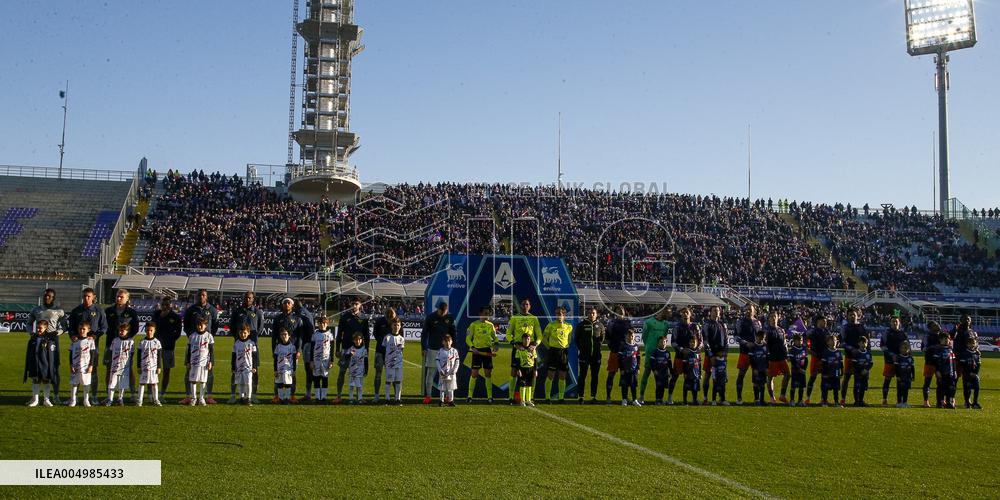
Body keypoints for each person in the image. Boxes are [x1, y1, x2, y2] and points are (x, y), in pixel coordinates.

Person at [67, 288, 107, 401]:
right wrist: (73, 335)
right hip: (77, 346)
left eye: (88, 296)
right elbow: (70, 328)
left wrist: (95, 336)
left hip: (92, 346)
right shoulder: (76, 310)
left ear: (93, 297)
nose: (86, 298)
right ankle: (74, 398)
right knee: (77, 370)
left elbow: (104, 327)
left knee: (92, 370)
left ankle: (92, 396)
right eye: (84, 296)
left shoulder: (99, 310)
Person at [182, 289, 218, 404]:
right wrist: (192, 336)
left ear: (206, 297)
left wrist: (209, 336)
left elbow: (215, 325)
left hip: (206, 345)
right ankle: (189, 396)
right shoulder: (191, 310)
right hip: (193, 344)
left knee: (209, 371)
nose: (201, 297)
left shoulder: (212, 309)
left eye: (203, 295)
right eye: (199, 295)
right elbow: (186, 325)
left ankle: (208, 396)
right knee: (188, 370)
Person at [30, 288, 65, 403]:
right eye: (45, 296)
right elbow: (29, 323)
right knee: (38, 366)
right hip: (39, 341)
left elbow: (64, 326)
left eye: (49, 296)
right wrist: (32, 333)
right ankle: (35, 396)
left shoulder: (59, 311)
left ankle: (55, 395)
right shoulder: (36, 310)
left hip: (53, 341)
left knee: (54, 368)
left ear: (53, 298)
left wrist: (58, 332)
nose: (47, 298)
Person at [105, 289, 140, 402]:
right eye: (117, 296)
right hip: (110, 343)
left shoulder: (132, 313)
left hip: (125, 346)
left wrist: (126, 338)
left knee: (128, 368)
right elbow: (104, 326)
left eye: (121, 297)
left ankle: (133, 393)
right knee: (109, 368)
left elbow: (135, 328)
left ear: (127, 299)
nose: (118, 298)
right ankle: (109, 394)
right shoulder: (109, 310)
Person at [228, 291, 263, 403]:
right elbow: (232, 326)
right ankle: (233, 395)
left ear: (253, 299)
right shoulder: (237, 311)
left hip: (252, 346)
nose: (247, 299)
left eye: (250, 298)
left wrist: (253, 338)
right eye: (246, 298)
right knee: (235, 371)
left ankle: (253, 395)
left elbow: (260, 328)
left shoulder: (257, 312)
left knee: (254, 370)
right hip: (239, 346)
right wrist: (239, 338)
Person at [270, 298, 305, 403]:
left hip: (292, 351)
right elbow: (274, 336)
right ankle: (277, 396)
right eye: (284, 302)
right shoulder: (277, 318)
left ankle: (292, 395)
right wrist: (273, 351)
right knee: (278, 373)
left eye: (288, 303)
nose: (286, 304)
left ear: (292, 305)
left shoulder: (297, 319)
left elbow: (300, 336)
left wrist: (298, 350)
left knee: (292, 374)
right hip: (280, 351)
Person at [508, 299, 542, 403]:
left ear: (530, 306)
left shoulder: (534, 318)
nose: (525, 306)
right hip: (518, 346)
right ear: (520, 306)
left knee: (531, 374)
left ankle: (530, 398)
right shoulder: (514, 318)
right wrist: (514, 344)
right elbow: (508, 334)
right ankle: (511, 397)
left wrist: (535, 345)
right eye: (523, 304)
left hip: (530, 348)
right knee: (514, 372)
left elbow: (539, 335)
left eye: (527, 304)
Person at [421, 301, 456, 405]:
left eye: (445, 311)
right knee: (430, 374)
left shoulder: (450, 318)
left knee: (446, 375)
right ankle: (428, 396)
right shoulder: (431, 317)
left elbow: (453, 333)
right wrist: (423, 347)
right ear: (438, 309)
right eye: (442, 311)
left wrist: (454, 348)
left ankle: (446, 397)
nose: (443, 313)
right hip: (433, 350)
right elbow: (424, 333)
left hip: (446, 352)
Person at [337, 298, 369, 404]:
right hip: (346, 349)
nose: (354, 305)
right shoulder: (344, 317)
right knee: (342, 372)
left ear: (360, 305)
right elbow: (339, 334)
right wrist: (337, 349)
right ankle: (338, 395)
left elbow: (367, 336)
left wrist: (367, 349)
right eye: (352, 304)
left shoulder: (364, 318)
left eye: (356, 304)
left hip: (359, 351)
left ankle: (358, 397)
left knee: (359, 374)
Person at [466, 305, 499, 404]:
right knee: (474, 374)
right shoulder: (473, 325)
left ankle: (490, 397)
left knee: (488, 374)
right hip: (477, 351)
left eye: (488, 314)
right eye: (485, 313)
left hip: (487, 351)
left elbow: (495, 338)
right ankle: (469, 396)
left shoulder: (490, 325)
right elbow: (468, 338)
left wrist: (496, 344)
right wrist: (472, 347)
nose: (487, 315)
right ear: (480, 314)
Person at [668, 307, 700, 405]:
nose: (685, 314)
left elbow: (701, 341)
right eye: (683, 313)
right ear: (681, 315)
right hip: (680, 356)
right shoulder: (677, 327)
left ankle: (693, 399)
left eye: (687, 312)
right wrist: (682, 349)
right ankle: (670, 397)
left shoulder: (695, 326)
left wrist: (694, 350)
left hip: (692, 357)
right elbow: (673, 342)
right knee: (675, 377)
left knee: (692, 378)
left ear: (690, 314)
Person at [541, 306, 573, 403]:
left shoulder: (569, 326)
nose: (558, 316)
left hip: (563, 352)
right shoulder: (550, 325)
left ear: (564, 315)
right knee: (550, 375)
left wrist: (564, 346)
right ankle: (547, 398)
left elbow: (569, 340)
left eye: (560, 314)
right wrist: (550, 347)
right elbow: (544, 339)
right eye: (556, 314)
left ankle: (561, 398)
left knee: (562, 375)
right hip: (553, 352)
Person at [153, 297, 182, 401]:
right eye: (163, 304)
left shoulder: (175, 317)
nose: (165, 306)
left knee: (166, 371)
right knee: (151, 370)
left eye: (167, 304)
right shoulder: (156, 314)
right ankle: (151, 394)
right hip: (154, 348)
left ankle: (162, 394)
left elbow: (178, 333)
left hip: (168, 348)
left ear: (171, 305)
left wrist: (170, 340)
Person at [574, 306, 605, 404]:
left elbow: (602, 339)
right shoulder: (581, 325)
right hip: (584, 355)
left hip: (596, 356)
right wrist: (582, 349)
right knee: (582, 376)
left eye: (593, 313)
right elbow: (576, 339)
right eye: (590, 313)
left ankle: (593, 396)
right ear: (587, 314)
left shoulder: (600, 325)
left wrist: (596, 349)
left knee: (594, 376)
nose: (591, 315)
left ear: (596, 315)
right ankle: (581, 396)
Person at [24, 319, 57, 407]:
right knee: (36, 380)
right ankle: (35, 400)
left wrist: (51, 366)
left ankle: (46, 400)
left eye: (40, 328)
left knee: (46, 380)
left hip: (45, 364)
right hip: (35, 363)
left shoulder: (49, 339)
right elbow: (29, 352)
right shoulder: (33, 338)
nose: (38, 329)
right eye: (37, 328)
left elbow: (52, 354)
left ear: (45, 328)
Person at [640, 309, 670, 404]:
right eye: (665, 312)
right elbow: (644, 336)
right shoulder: (648, 322)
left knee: (661, 376)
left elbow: (664, 337)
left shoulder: (666, 324)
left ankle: (659, 398)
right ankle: (641, 396)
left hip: (661, 353)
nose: (666, 314)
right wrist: (648, 347)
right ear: (660, 312)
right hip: (650, 351)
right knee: (647, 373)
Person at [700, 306, 728, 405]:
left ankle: (721, 398)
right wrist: (711, 355)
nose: (716, 312)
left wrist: (725, 353)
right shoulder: (706, 324)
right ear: (710, 312)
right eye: (714, 311)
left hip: (721, 355)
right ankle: (705, 398)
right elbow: (705, 341)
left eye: (718, 311)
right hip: (710, 355)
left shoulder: (723, 324)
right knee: (707, 375)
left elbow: (726, 340)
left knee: (721, 377)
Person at [734, 305, 761, 405]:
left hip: (756, 353)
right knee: (741, 374)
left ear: (754, 311)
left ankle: (756, 398)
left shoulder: (758, 322)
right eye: (747, 310)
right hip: (744, 352)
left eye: (750, 310)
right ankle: (739, 398)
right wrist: (745, 343)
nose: (748, 311)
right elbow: (736, 336)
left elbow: (761, 336)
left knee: (756, 375)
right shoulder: (740, 322)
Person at [840, 309, 867, 406]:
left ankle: (859, 400)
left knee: (859, 379)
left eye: (854, 315)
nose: (852, 316)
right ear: (847, 316)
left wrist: (868, 354)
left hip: (861, 358)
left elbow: (867, 342)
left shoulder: (862, 327)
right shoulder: (845, 328)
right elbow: (842, 342)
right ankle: (843, 399)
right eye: (850, 315)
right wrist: (851, 349)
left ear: (857, 316)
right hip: (849, 356)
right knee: (846, 377)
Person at [185, 318, 215, 407]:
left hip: (204, 362)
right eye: (198, 324)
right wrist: (187, 361)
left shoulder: (209, 336)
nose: (200, 326)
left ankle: (201, 398)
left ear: (205, 325)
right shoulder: (192, 336)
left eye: (202, 324)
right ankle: (194, 398)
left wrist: (211, 362)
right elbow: (189, 350)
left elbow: (211, 351)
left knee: (203, 381)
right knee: (193, 381)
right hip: (193, 362)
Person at [371, 308, 398, 403]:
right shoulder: (379, 321)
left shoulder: (396, 322)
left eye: (392, 318)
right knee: (378, 373)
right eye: (389, 318)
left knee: (394, 375)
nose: (390, 320)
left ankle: (396, 396)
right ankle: (376, 396)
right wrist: (383, 341)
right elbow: (375, 333)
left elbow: (400, 335)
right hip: (380, 351)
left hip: (392, 353)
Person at [605, 305, 631, 402]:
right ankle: (608, 397)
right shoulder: (611, 323)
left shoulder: (628, 323)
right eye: (617, 311)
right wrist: (612, 347)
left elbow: (631, 335)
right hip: (615, 352)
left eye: (621, 311)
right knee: (611, 375)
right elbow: (607, 338)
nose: (619, 312)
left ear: (624, 312)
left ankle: (625, 397)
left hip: (626, 354)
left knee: (625, 376)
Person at [880, 317, 908, 406]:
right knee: (887, 380)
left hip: (901, 361)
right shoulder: (887, 333)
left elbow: (907, 346)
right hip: (889, 360)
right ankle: (884, 399)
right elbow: (882, 346)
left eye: (896, 321)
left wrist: (907, 356)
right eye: (893, 321)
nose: (895, 323)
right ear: (890, 323)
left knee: (900, 381)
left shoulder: (903, 334)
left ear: (899, 323)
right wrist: (892, 355)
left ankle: (899, 401)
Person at [105, 323, 135, 406]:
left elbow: (132, 353)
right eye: (120, 330)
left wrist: (130, 362)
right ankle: (110, 399)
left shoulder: (130, 342)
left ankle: (120, 398)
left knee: (122, 383)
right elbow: (111, 351)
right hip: (115, 365)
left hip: (125, 366)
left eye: (123, 331)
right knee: (112, 383)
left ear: (127, 331)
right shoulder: (115, 340)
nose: (121, 332)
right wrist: (110, 361)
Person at [764, 310, 790, 405]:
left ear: (778, 317)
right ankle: (772, 397)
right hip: (772, 358)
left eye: (775, 316)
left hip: (781, 357)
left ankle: (782, 395)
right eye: (771, 316)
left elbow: (784, 343)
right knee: (770, 377)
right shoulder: (767, 330)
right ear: (769, 318)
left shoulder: (781, 330)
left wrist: (787, 353)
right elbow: (764, 344)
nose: (773, 318)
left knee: (787, 375)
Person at [68, 322, 96, 407]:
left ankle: (86, 400)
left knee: (86, 383)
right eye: (80, 329)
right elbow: (71, 353)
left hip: (86, 366)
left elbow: (93, 354)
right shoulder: (74, 340)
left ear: (88, 330)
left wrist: (91, 365)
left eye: (84, 329)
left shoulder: (90, 340)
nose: (82, 330)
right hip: (76, 365)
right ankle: (73, 400)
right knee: (74, 383)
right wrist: (71, 365)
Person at [951, 315, 978, 401]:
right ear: (961, 321)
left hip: (969, 360)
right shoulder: (957, 331)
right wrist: (955, 328)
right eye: (964, 319)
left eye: (968, 319)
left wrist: (976, 353)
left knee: (967, 381)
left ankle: (967, 400)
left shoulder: (972, 332)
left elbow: (975, 345)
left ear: (970, 321)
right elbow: (951, 337)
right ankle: (952, 398)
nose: (967, 320)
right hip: (958, 358)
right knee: (954, 380)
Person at [231, 324, 259, 406]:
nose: (243, 335)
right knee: (240, 383)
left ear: (248, 333)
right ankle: (241, 397)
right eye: (241, 333)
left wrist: (254, 367)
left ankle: (248, 398)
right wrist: (233, 367)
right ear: (239, 333)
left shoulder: (251, 343)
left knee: (248, 382)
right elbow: (233, 357)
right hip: (239, 367)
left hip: (248, 368)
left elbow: (255, 356)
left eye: (245, 333)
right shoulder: (236, 344)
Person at [136, 322, 163, 407]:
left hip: (154, 367)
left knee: (154, 383)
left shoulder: (157, 342)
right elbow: (138, 355)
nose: (149, 332)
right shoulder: (142, 342)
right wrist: (138, 366)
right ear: (145, 330)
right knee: (142, 383)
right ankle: (139, 400)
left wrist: (159, 366)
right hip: (144, 366)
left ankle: (156, 400)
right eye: (147, 330)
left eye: (151, 330)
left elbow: (159, 356)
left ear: (154, 331)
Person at [805, 315, 830, 405]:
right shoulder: (813, 331)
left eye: (826, 321)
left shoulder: (827, 331)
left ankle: (823, 399)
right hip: (815, 357)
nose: (825, 323)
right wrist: (807, 348)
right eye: (824, 321)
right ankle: (807, 398)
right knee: (813, 377)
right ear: (818, 322)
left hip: (824, 358)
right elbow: (805, 338)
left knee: (825, 378)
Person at [310, 316, 334, 404]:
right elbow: (312, 348)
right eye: (320, 323)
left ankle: (323, 397)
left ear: (327, 324)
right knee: (316, 378)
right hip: (316, 359)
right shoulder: (315, 334)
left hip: (326, 359)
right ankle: (317, 397)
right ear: (318, 324)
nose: (322, 325)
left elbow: (332, 348)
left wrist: (332, 361)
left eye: (324, 323)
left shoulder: (330, 335)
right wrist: (311, 361)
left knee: (324, 378)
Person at [930, 332, 957, 409]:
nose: (946, 340)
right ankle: (940, 402)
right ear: (940, 340)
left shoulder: (950, 349)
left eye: (948, 339)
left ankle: (949, 403)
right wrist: (937, 371)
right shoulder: (938, 349)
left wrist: (955, 371)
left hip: (951, 373)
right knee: (941, 388)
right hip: (942, 373)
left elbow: (953, 361)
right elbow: (935, 362)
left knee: (951, 388)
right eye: (944, 339)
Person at [382, 318, 406, 405]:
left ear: (400, 327)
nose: (396, 327)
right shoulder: (387, 337)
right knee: (389, 381)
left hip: (399, 363)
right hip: (389, 363)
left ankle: (397, 398)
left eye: (398, 325)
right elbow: (384, 349)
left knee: (398, 381)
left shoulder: (401, 339)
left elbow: (401, 351)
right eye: (395, 325)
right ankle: (387, 399)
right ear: (391, 326)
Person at [512, 333, 537, 407]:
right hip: (522, 369)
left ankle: (528, 400)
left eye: (528, 339)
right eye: (525, 339)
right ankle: (522, 401)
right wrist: (518, 370)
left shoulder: (532, 349)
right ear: (522, 340)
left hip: (531, 368)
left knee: (529, 385)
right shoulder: (519, 349)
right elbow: (517, 360)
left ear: (530, 340)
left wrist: (535, 370)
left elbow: (535, 360)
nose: (527, 340)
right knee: (522, 384)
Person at [921, 321, 942, 408]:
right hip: (930, 362)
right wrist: (933, 348)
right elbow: (923, 348)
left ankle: (940, 401)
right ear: (930, 328)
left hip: (941, 363)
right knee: (927, 382)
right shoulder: (927, 336)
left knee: (941, 382)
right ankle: (926, 401)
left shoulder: (942, 335)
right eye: (935, 325)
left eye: (937, 324)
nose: (938, 325)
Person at [273, 328, 297, 404]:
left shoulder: (292, 347)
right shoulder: (278, 346)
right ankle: (280, 398)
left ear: (289, 335)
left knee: (288, 383)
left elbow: (294, 359)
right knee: (279, 383)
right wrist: (275, 370)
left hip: (288, 369)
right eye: (282, 334)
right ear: (280, 336)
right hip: (279, 368)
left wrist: (294, 370)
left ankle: (286, 398)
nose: (284, 336)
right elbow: (275, 359)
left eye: (285, 334)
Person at [436, 334, 460, 407]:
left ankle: (451, 401)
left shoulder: (454, 351)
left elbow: (457, 361)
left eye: (449, 341)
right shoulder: (440, 351)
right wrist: (440, 370)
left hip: (451, 372)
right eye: (445, 341)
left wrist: (454, 370)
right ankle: (441, 400)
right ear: (443, 342)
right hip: (443, 372)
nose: (447, 343)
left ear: (451, 342)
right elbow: (437, 361)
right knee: (442, 387)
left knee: (451, 387)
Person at [820, 334, 843, 407]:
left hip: (836, 374)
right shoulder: (825, 352)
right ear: (828, 342)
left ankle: (836, 402)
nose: (833, 342)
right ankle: (824, 402)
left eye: (835, 340)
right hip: (827, 374)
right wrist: (825, 373)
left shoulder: (838, 353)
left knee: (836, 389)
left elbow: (841, 364)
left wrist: (842, 372)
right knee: (825, 389)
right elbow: (823, 364)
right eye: (831, 340)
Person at [619, 330, 641, 407]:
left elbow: (638, 358)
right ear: (626, 336)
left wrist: (638, 368)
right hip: (625, 369)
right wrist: (621, 369)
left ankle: (634, 400)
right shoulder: (623, 346)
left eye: (632, 336)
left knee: (633, 385)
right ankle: (624, 399)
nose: (631, 337)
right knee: (624, 385)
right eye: (629, 336)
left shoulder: (636, 346)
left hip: (633, 369)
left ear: (634, 336)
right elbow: (620, 358)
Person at [747, 330, 769, 406]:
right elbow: (751, 359)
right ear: (756, 337)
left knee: (763, 384)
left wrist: (767, 368)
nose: (762, 340)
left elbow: (767, 358)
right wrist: (754, 368)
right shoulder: (753, 346)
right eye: (760, 338)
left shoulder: (765, 346)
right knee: (756, 383)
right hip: (756, 368)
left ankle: (762, 400)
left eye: (763, 338)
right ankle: (756, 399)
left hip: (763, 368)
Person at [958, 337, 981, 409]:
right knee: (967, 388)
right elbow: (962, 364)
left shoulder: (977, 353)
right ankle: (967, 402)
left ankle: (975, 402)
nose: (972, 345)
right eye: (970, 343)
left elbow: (978, 364)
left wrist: (975, 373)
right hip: (966, 374)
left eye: (973, 343)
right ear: (967, 344)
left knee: (977, 388)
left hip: (975, 374)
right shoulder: (964, 353)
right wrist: (968, 373)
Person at [649, 336, 672, 405]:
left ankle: (661, 399)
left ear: (666, 342)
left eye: (664, 342)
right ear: (658, 343)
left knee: (663, 387)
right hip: (658, 372)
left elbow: (669, 363)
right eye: (661, 342)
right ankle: (657, 400)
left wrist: (670, 371)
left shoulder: (667, 352)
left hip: (665, 373)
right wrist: (654, 370)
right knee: (658, 386)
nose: (663, 343)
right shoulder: (655, 351)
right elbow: (651, 362)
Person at [851, 337, 873, 407]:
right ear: (858, 343)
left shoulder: (869, 353)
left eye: (865, 343)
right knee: (856, 387)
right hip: (858, 373)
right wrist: (860, 371)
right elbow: (854, 364)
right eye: (862, 343)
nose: (863, 344)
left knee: (863, 387)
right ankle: (856, 401)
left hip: (865, 373)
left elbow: (871, 363)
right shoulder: (856, 353)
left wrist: (866, 370)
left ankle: (861, 401)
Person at [346, 333, 368, 404]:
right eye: (356, 340)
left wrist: (366, 370)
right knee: (351, 385)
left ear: (362, 340)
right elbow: (345, 358)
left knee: (360, 386)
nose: (358, 341)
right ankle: (351, 398)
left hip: (360, 371)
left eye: (359, 339)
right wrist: (350, 354)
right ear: (353, 340)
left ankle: (360, 398)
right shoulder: (351, 348)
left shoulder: (364, 349)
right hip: (352, 371)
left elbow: (366, 360)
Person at [788, 333, 808, 407]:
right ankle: (792, 400)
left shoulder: (803, 348)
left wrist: (804, 369)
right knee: (793, 386)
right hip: (795, 371)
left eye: (801, 340)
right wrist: (799, 369)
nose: (800, 342)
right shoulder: (792, 350)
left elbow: (806, 360)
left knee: (801, 387)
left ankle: (800, 400)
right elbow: (793, 361)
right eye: (798, 341)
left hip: (802, 371)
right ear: (794, 341)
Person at [894, 341, 915, 408]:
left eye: (906, 348)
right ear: (900, 349)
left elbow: (912, 368)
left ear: (908, 349)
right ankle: (899, 402)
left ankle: (905, 402)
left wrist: (913, 376)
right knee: (900, 390)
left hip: (907, 377)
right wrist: (897, 376)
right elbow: (896, 368)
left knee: (906, 390)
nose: (904, 350)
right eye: (902, 348)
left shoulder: (910, 358)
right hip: (901, 376)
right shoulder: (898, 357)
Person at [681, 337, 701, 406]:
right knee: (686, 387)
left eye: (694, 342)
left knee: (695, 388)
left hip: (695, 373)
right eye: (691, 342)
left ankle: (694, 400)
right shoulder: (687, 352)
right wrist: (685, 372)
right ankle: (684, 400)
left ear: (697, 343)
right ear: (689, 343)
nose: (692, 343)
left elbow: (699, 364)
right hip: (688, 373)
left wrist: (700, 373)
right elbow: (684, 363)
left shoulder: (698, 352)